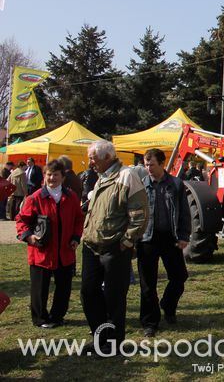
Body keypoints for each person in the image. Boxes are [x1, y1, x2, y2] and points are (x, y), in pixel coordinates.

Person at [80, 140, 148, 355]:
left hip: (114, 249)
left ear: (107, 157)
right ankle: (100, 340)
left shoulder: (127, 176)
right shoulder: (101, 178)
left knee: (114, 297)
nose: (91, 163)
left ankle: (115, 343)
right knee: (88, 293)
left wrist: (126, 243)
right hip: (92, 247)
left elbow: (140, 216)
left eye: (93, 158)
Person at [15, 160, 83, 328]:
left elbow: (78, 219)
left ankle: (57, 316)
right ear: (44, 176)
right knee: (40, 288)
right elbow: (21, 220)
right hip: (41, 252)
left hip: (65, 251)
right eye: (49, 174)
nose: (52, 178)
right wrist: (28, 236)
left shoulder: (71, 196)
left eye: (55, 174)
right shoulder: (35, 197)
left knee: (63, 287)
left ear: (63, 177)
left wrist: (76, 237)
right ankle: (40, 318)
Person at [138, 148, 190, 338]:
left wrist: (184, 236)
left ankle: (168, 305)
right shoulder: (141, 185)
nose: (148, 168)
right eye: (146, 165)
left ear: (162, 163)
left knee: (179, 277)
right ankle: (150, 322)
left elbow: (184, 212)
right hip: (147, 239)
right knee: (147, 284)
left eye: (151, 164)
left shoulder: (176, 184)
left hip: (170, 238)